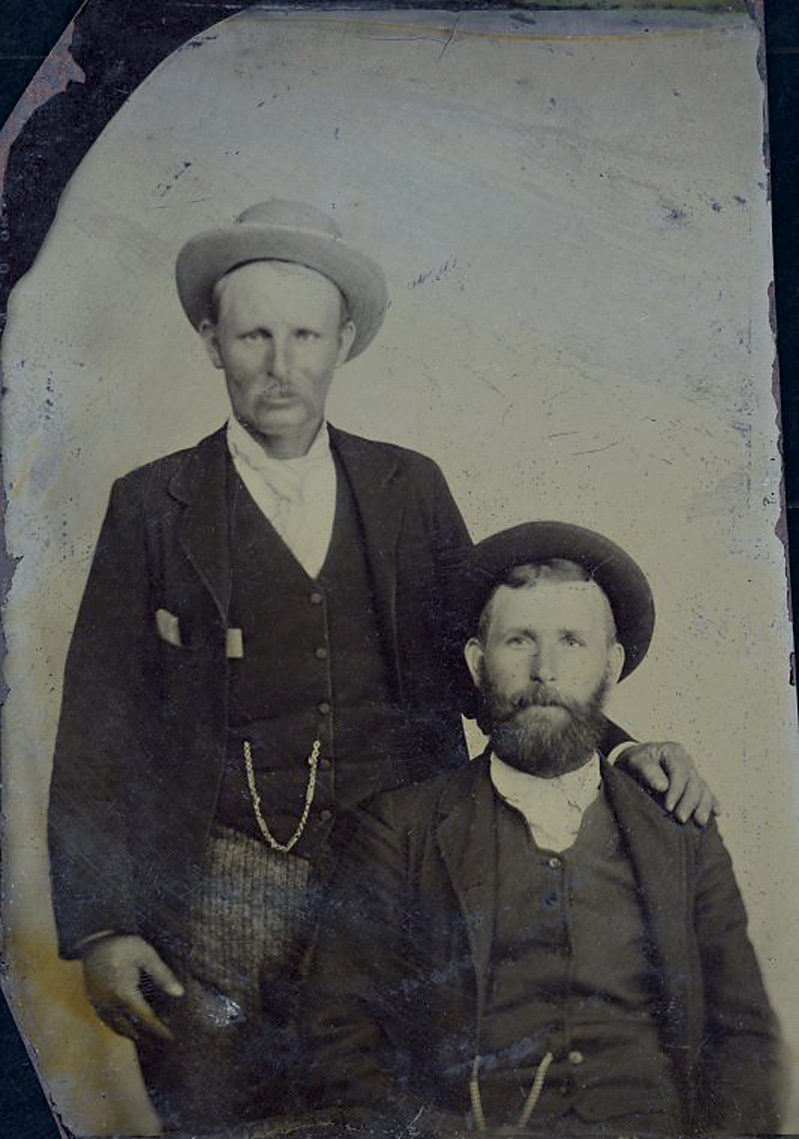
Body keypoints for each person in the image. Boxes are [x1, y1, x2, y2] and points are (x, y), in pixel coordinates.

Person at [48, 201, 715, 1133]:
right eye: (254, 335)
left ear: (344, 341)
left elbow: (481, 663)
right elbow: (98, 722)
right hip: (215, 905)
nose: (281, 366)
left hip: (404, 882)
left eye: (306, 335)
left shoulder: (409, 487)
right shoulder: (152, 503)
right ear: (210, 340)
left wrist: (618, 749)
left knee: (406, 1111)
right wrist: (101, 927)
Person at [307, 521, 784, 1138]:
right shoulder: (399, 831)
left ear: (609, 665)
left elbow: (744, 1038)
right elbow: (335, 1040)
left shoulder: (678, 830)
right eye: (518, 641)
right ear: (478, 663)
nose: (545, 671)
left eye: (572, 643)